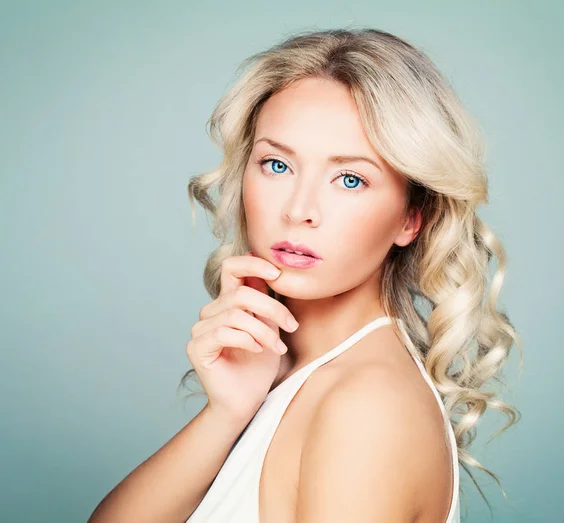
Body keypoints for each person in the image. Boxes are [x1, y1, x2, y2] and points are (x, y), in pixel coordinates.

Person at [88, 27, 522, 523]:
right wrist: (226, 413)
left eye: (350, 179)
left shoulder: (367, 406)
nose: (298, 210)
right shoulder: (291, 377)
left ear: (411, 217)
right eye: (276, 164)